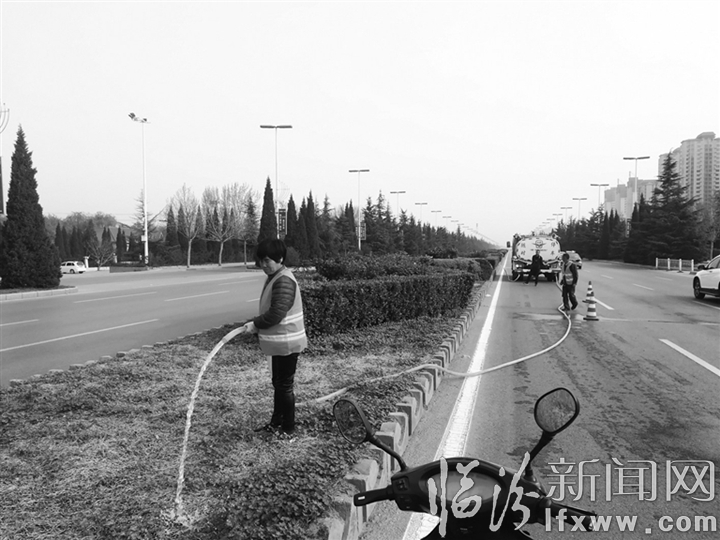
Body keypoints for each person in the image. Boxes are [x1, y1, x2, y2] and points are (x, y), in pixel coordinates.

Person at [242, 238, 307, 437]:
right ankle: (276, 422)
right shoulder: (275, 276)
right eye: (260, 260)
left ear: (280, 259)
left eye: (267, 260)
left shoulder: (283, 280)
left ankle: (288, 428)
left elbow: (276, 313)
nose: (263, 265)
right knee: (279, 384)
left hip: (288, 342)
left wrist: (255, 324)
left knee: (284, 386)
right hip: (280, 343)